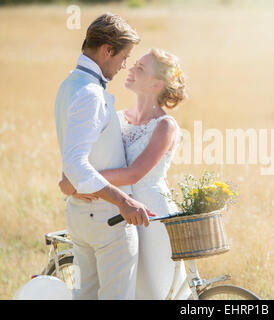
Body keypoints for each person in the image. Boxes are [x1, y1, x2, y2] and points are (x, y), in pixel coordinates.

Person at [59, 48, 191, 299]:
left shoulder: (165, 125)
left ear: (156, 84)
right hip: (117, 211)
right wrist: (79, 177)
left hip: (151, 214)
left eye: (140, 68)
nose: (130, 68)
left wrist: (84, 181)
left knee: (152, 288)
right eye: (134, 64)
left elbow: (134, 173)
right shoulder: (118, 118)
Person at [54, 13, 155, 300]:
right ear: (107, 50)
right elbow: (76, 163)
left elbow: (75, 154)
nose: (125, 66)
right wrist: (124, 201)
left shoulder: (70, 84)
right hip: (107, 220)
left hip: (80, 215)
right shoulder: (89, 93)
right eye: (124, 57)